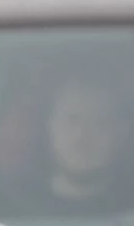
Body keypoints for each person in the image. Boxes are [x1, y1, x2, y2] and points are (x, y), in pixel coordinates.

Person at [44, 77, 125, 212]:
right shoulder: (10, 209)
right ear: (50, 128)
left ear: (120, 133)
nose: (82, 135)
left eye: (99, 122)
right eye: (72, 120)